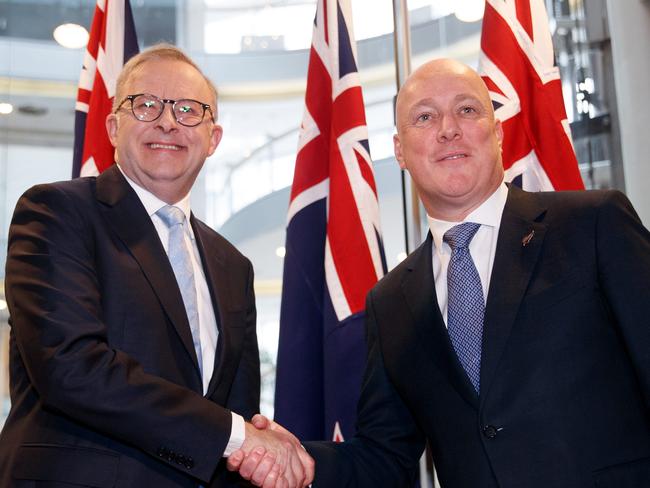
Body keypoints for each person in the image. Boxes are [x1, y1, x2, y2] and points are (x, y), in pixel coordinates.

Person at [228, 58, 650, 487]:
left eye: (467, 110)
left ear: (498, 131)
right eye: (425, 117)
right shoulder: (390, 302)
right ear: (399, 151)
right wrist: (306, 462)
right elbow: (385, 455)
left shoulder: (592, 224)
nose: (448, 128)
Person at [0, 44, 313, 488]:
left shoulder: (232, 265)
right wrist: (240, 436)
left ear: (213, 138)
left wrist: (257, 447)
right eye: (145, 105)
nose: (167, 121)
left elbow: (233, 415)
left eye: (189, 109)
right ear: (113, 126)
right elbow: (70, 367)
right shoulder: (55, 211)